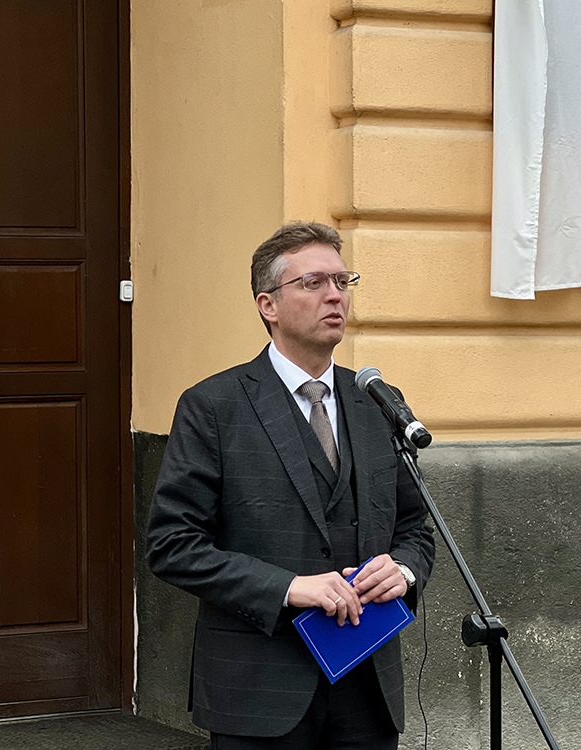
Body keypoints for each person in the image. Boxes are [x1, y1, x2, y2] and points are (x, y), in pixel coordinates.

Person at [147, 221, 436, 750]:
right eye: (313, 282)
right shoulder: (213, 406)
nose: (335, 295)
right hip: (258, 687)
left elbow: (416, 526)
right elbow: (172, 546)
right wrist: (288, 588)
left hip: (367, 686)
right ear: (269, 305)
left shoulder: (376, 401)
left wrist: (404, 570)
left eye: (342, 281)